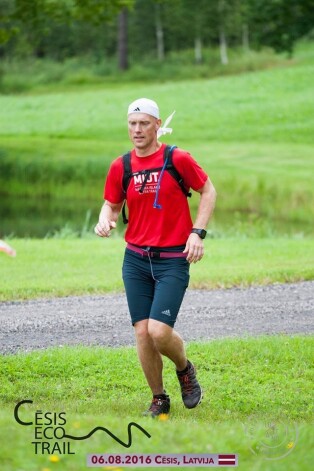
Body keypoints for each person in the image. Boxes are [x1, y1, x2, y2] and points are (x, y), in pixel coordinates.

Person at [95, 98, 216, 417]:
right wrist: (104, 218)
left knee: (158, 331)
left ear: (157, 125)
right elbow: (112, 203)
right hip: (135, 259)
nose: (137, 130)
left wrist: (197, 232)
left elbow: (208, 191)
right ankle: (159, 398)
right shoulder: (121, 165)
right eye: (132, 124)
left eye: (144, 123)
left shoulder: (177, 158)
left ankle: (185, 369)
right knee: (141, 331)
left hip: (172, 259)